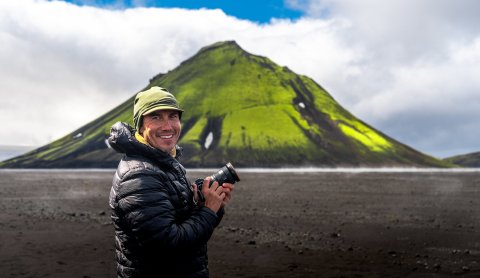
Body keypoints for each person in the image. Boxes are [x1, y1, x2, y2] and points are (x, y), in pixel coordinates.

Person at [108, 86, 234, 278]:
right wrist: (208, 211)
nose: (167, 126)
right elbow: (169, 245)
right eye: (156, 117)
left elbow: (189, 231)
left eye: (173, 116)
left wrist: (210, 205)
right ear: (141, 126)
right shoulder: (139, 176)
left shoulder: (164, 164)